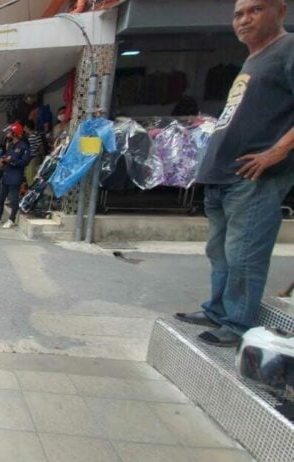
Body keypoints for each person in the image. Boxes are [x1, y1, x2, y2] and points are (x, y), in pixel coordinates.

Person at [176, 0, 294, 347]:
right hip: (223, 175)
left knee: (244, 253)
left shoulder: (288, 48)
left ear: (281, 10)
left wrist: (278, 151)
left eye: (255, 10)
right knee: (221, 250)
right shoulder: (254, 59)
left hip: (254, 175)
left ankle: (238, 322)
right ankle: (217, 309)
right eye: (238, 14)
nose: (244, 19)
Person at [0, 121, 32, 229]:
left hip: (15, 176)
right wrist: (2, 160)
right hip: (6, 175)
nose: (8, 133)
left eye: (10, 131)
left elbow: (24, 162)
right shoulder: (11, 145)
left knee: (13, 199)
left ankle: (11, 219)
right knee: (1, 198)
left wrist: (11, 160)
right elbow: (6, 156)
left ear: (15, 133)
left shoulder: (24, 147)